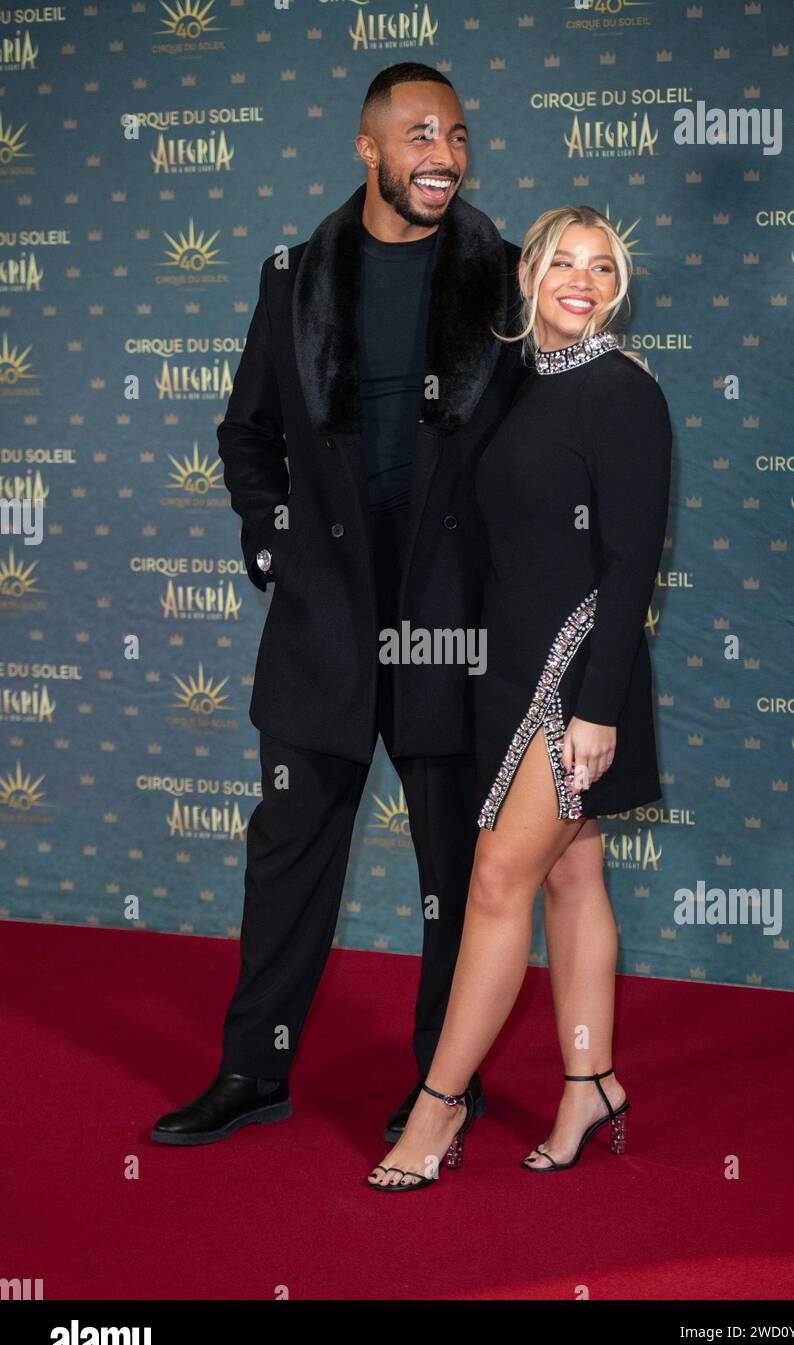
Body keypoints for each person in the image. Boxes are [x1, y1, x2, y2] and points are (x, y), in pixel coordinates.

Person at [150, 63, 530, 1147]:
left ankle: (440, 1082)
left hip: (449, 615)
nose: (442, 156)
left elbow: (547, 444)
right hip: (325, 611)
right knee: (288, 851)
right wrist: (271, 540)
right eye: (418, 136)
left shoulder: (503, 278)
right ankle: (251, 1070)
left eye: (455, 136)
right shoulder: (295, 277)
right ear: (366, 148)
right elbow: (246, 433)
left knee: (454, 865)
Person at [366, 205, 673, 1190]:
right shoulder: (510, 387)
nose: (582, 281)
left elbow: (629, 566)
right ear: (530, 274)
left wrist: (594, 708)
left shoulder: (624, 393)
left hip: (575, 675)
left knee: (495, 881)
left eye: (602, 268)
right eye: (563, 262)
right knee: (569, 874)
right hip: (501, 673)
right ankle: (588, 1079)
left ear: (616, 289)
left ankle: (439, 1103)